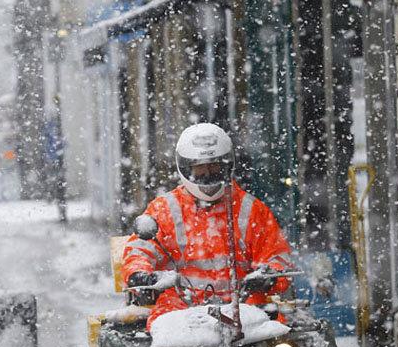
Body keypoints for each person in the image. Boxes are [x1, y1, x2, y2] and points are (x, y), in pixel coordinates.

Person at [122, 123, 292, 326]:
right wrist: (141, 276)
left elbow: (277, 256)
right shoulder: (164, 209)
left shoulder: (253, 210)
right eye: (199, 167)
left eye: (214, 166)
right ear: (185, 167)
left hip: (243, 305)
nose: (207, 173)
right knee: (163, 327)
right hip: (180, 306)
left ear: (227, 165)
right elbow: (139, 251)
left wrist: (269, 276)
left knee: (274, 329)